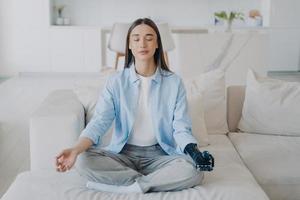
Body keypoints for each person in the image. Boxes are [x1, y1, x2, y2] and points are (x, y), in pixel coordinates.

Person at [55, 17, 214, 194]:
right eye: (136, 38)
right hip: (123, 154)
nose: (142, 44)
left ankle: (129, 187)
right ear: (129, 45)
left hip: (161, 155)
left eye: (149, 38)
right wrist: (75, 149)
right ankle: (147, 183)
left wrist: (195, 153)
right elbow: (99, 122)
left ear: (157, 44)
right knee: (84, 160)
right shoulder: (116, 81)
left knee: (194, 170)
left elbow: (181, 128)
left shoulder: (174, 83)